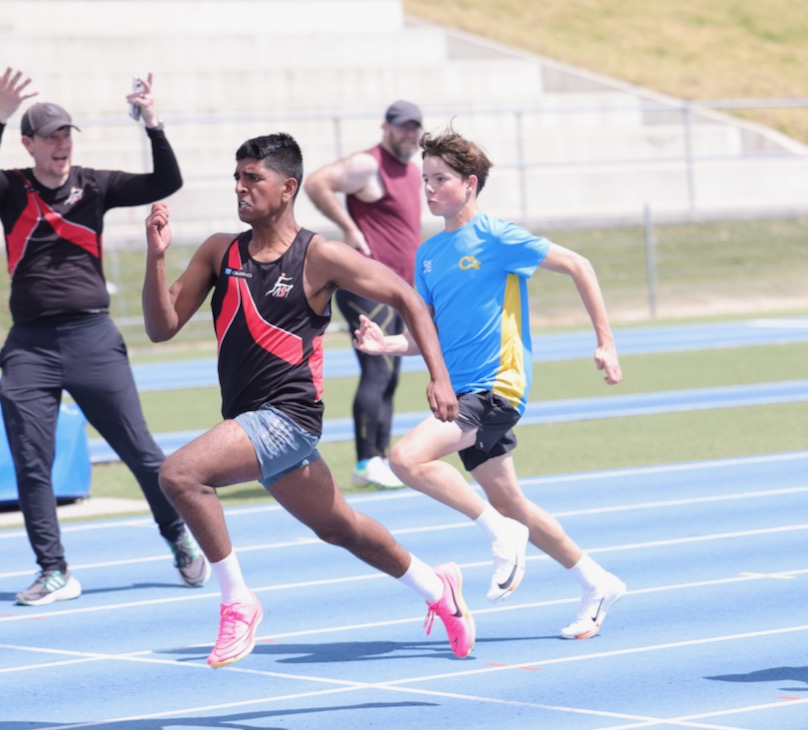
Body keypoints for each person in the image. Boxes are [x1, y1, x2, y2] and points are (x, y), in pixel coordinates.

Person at [140, 132, 474, 668]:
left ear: (288, 187)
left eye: (254, 179)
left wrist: (438, 376)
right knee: (342, 529)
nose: (240, 188)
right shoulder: (218, 251)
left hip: (289, 418)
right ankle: (438, 587)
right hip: (251, 422)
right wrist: (156, 260)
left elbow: (408, 298)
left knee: (180, 475)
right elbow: (161, 327)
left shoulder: (320, 257)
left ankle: (238, 604)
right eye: (237, 178)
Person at [354, 127, 627, 640]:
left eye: (441, 179)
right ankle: (597, 581)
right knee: (512, 502)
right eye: (425, 179)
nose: (429, 189)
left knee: (406, 459)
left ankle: (500, 535)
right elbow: (428, 335)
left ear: (470, 184)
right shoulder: (428, 255)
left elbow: (579, 265)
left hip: (497, 386)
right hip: (463, 392)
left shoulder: (498, 237)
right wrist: (389, 345)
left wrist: (605, 341)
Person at [0, 67, 208, 606]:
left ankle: (177, 536)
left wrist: (153, 123)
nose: (61, 145)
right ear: (28, 144)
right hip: (30, 347)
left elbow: (165, 182)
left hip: (92, 340)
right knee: (32, 463)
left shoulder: (95, 185)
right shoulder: (10, 188)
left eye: (66, 135)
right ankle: (53, 570)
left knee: (143, 453)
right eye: (50, 136)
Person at [303, 100, 426, 489]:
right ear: (386, 127)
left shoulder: (411, 169)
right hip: (366, 285)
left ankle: (381, 456)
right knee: (376, 370)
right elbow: (317, 182)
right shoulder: (369, 165)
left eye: (414, 127)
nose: (409, 134)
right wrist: (349, 228)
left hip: (399, 288)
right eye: (402, 127)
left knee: (390, 374)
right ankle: (365, 461)